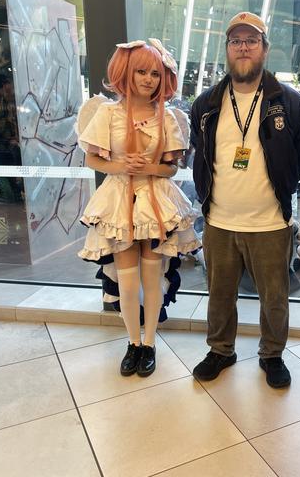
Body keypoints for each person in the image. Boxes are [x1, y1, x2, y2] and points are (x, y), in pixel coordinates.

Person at [189, 12, 300, 388]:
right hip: (219, 221)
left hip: (270, 223)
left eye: (251, 40)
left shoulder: (289, 102)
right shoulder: (207, 104)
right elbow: (202, 152)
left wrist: (282, 191)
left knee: (274, 298)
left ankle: (272, 354)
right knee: (219, 295)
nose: (243, 47)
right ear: (227, 49)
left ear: (264, 48)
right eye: (236, 41)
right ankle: (220, 350)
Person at [77, 40, 200, 377]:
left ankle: (149, 344)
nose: (148, 79)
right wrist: (119, 164)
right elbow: (92, 157)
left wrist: (147, 168)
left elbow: (171, 168)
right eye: (141, 71)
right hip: (120, 202)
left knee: (153, 277)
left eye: (155, 73)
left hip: (157, 201)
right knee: (127, 283)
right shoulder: (106, 113)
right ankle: (132, 343)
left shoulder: (168, 117)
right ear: (124, 73)